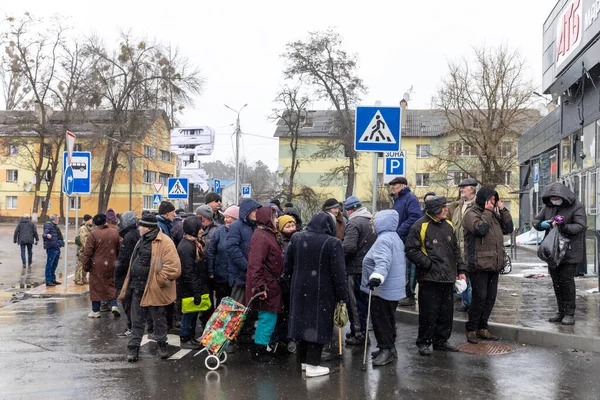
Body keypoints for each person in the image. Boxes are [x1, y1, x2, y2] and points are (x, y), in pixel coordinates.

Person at [283, 212, 348, 378]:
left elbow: (287, 265)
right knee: (317, 324)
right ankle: (313, 364)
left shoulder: (297, 238)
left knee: (302, 322)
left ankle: (304, 361)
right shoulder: (332, 243)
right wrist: (342, 296)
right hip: (322, 290)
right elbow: (339, 273)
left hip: (298, 288)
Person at [405, 196, 467, 356]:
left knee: (446, 313)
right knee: (428, 312)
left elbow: (455, 250)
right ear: (434, 210)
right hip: (429, 278)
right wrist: (429, 265)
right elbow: (411, 250)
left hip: (447, 277)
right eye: (443, 207)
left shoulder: (448, 226)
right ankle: (424, 342)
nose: (446, 209)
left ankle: (441, 341)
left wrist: (461, 270)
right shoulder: (420, 226)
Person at [119, 213, 181, 362]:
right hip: (137, 287)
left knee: (158, 319)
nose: (139, 228)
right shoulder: (142, 240)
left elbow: (174, 267)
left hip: (154, 288)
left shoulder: (165, 242)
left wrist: (158, 281)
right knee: (137, 320)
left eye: (141, 225)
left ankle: (162, 346)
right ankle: (133, 349)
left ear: (147, 227)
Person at [463, 188, 513, 342]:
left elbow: (508, 228)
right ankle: (471, 328)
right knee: (480, 297)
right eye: (490, 199)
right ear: (483, 199)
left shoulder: (492, 214)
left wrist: (502, 208)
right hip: (478, 264)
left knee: (490, 298)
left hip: (494, 263)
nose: (492, 202)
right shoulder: (472, 214)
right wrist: (488, 211)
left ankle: (483, 327)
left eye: (494, 199)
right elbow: (481, 230)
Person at [533, 182, 586, 325]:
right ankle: (560, 311)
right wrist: (541, 224)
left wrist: (563, 226)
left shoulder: (576, 206)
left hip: (569, 251)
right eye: (552, 198)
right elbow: (536, 220)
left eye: (556, 197)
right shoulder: (549, 206)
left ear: (563, 196)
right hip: (553, 251)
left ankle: (569, 313)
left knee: (567, 282)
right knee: (556, 282)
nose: (554, 200)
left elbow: (580, 226)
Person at [361, 209, 406, 366]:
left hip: (382, 288)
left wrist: (376, 277)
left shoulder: (383, 240)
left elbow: (383, 262)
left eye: (374, 222)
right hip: (393, 286)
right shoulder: (394, 237)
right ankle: (388, 348)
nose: (372, 225)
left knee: (381, 321)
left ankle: (386, 350)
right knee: (388, 319)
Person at [246, 207, 285, 362]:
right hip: (267, 285)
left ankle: (263, 346)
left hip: (271, 283)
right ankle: (259, 350)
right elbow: (255, 264)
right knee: (267, 316)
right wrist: (260, 286)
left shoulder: (267, 234)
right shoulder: (262, 236)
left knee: (269, 315)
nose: (277, 220)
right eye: (274, 217)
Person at [342, 196, 376, 346]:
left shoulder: (354, 222)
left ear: (350, 210)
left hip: (355, 268)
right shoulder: (370, 220)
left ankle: (359, 333)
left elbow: (349, 247)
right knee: (364, 301)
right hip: (368, 268)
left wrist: (339, 256)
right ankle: (359, 329)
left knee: (355, 303)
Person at [388, 176, 422, 307]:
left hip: (407, 239)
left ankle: (409, 295)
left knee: (408, 268)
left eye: (394, 186)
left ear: (402, 186)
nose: (392, 188)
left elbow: (415, 217)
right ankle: (404, 293)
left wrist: (399, 230)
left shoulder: (410, 198)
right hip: (400, 238)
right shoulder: (398, 200)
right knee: (402, 268)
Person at [177, 216, 209, 349]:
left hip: (194, 285)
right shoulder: (186, 247)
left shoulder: (194, 243)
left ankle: (190, 336)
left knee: (193, 312)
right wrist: (196, 290)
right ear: (193, 229)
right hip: (188, 287)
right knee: (188, 313)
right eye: (199, 227)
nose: (202, 230)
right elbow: (188, 272)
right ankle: (185, 338)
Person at [83, 214, 122, 318]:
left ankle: (95, 310)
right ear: (105, 221)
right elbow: (120, 248)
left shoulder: (93, 234)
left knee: (96, 286)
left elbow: (88, 252)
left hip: (97, 265)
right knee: (111, 284)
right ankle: (114, 305)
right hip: (112, 263)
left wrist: (86, 267)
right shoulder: (114, 232)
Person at [449, 178, 478, 312]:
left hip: (472, 249)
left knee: (472, 280)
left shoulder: (478, 206)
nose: (461, 189)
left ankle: (472, 305)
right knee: (463, 278)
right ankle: (466, 303)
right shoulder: (457, 207)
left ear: (472, 189)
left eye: (464, 187)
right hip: (459, 250)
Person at [226, 198, 262, 304]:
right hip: (240, 276)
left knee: (251, 310)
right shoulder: (236, 226)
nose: (257, 213)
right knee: (238, 310)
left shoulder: (257, 227)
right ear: (247, 211)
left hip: (253, 276)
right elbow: (232, 248)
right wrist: (247, 266)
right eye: (254, 211)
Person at [207, 206, 239, 308]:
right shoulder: (219, 231)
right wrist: (210, 270)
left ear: (235, 218)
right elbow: (211, 251)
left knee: (235, 305)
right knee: (222, 305)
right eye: (225, 217)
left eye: (228, 217)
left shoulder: (241, 231)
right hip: (221, 274)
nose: (225, 220)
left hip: (236, 277)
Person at [114, 211, 140, 337]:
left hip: (127, 275)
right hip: (133, 274)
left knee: (128, 302)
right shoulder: (135, 234)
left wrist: (117, 271)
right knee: (132, 303)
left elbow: (124, 259)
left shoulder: (129, 237)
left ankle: (131, 327)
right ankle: (133, 326)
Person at [43, 214, 64, 287]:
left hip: (56, 247)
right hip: (51, 247)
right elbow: (44, 234)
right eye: (57, 218)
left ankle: (53, 279)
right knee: (50, 264)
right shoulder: (48, 225)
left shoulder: (55, 226)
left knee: (54, 264)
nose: (58, 220)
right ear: (54, 219)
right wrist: (47, 235)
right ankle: (48, 280)